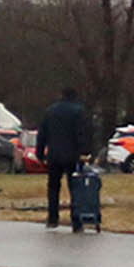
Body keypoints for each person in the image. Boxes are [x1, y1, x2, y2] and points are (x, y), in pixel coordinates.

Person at [35, 86, 90, 230]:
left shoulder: (50, 111)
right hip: (73, 155)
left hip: (54, 155)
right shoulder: (79, 111)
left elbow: (42, 134)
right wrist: (85, 152)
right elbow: (82, 134)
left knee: (53, 187)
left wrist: (40, 153)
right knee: (75, 188)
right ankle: (76, 221)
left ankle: (53, 218)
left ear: (61, 95)